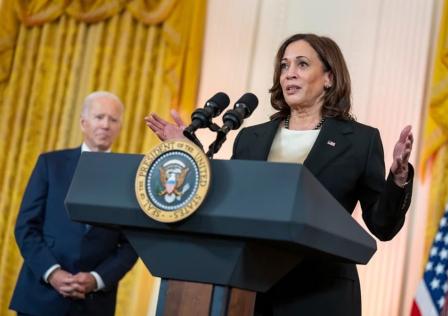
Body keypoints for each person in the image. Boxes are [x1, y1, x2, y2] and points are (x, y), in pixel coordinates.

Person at [145, 33, 414, 316]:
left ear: (329, 78)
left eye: (302, 65)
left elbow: (382, 225)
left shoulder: (360, 140)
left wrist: (398, 178)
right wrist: (191, 152)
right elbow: (228, 196)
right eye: (284, 66)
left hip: (322, 293)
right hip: (251, 290)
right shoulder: (251, 137)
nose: (289, 74)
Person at [10, 91, 138, 316]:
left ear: (120, 127)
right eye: (99, 117)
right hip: (40, 296)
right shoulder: (51, 163)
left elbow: (131, 244)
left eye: (113, 119)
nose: (106, 125)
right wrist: (53, 273)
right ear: (83, 122)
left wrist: (96, 279)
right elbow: (26, 227)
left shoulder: (131, 177)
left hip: (93, 303)